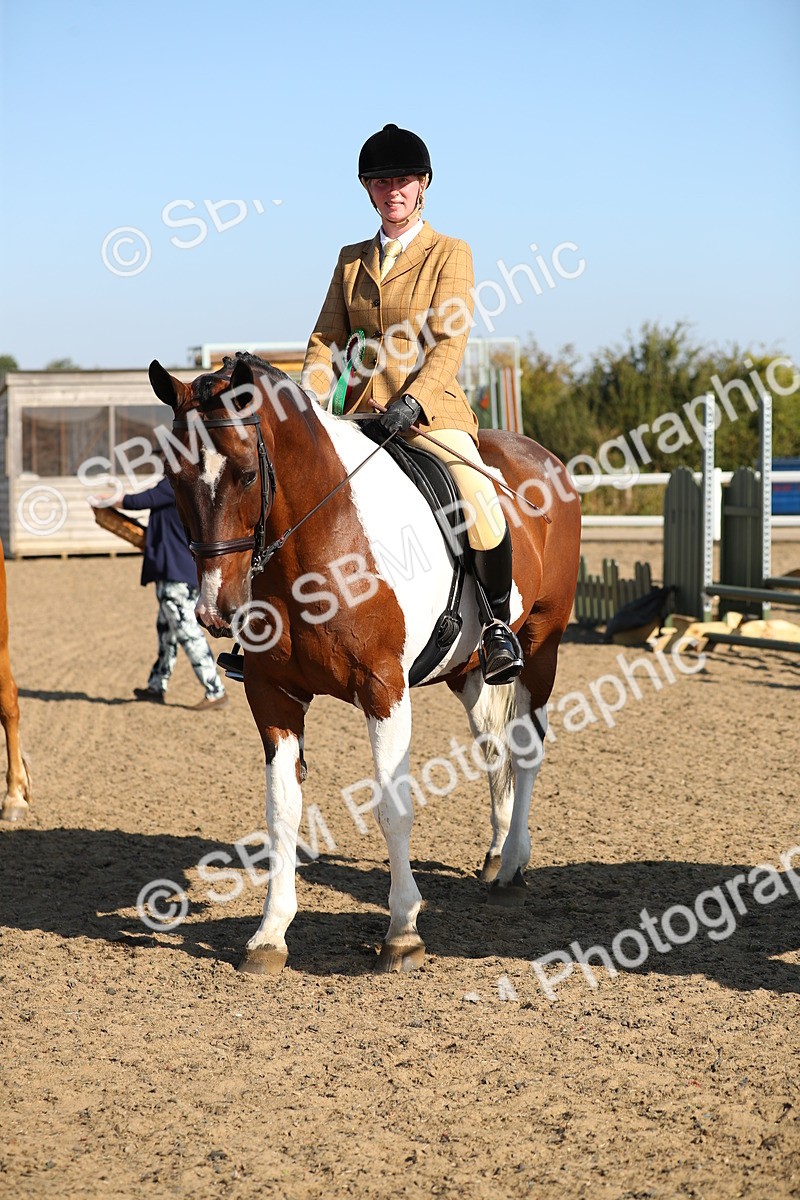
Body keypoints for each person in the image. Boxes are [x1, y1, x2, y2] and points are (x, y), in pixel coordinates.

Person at [302, 123, 523, 684]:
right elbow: (326, 338)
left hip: (428, 414)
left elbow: (450, 341)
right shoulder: (351, 259)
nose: (391, 190)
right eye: (379, 181)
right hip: (359, 414)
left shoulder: (449, 252)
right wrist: (312, 397)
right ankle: (276, 633)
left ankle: (496, 624)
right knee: (287, 494)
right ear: (368, 190)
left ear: (422, 184)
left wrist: (415, 401)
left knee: (478, 499)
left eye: (401, 179)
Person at [120, 474, 228, 710]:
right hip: (178, 571)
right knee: (166, 632)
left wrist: (107, 501)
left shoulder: (173, 484)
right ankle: (157, 686)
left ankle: (215, 690)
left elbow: (136, 502)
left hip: (174, 574)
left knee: (188, 632)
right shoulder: (185, 484)